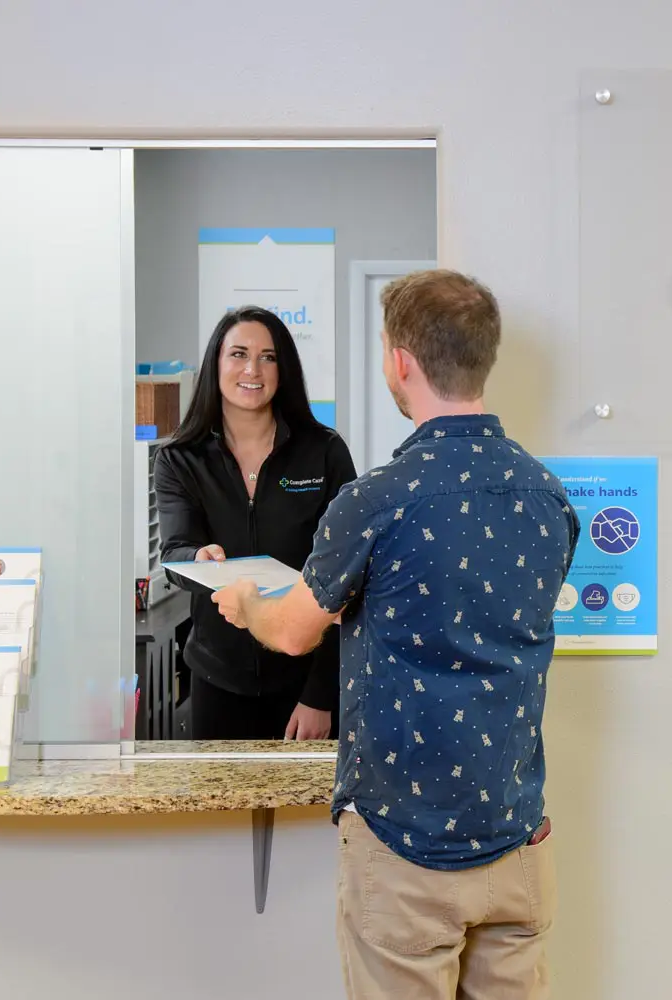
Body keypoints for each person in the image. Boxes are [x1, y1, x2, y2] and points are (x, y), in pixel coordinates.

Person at [211, 270, 579, 999]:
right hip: (518, 841)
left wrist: (246, 602)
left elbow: (291, 634)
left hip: (407, 850)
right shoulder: (547, 496)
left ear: (400, 361)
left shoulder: (378, 500)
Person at [154, 305, 357, 740]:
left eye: (268, 357)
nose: (253, 369)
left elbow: (349, 577)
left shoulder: (324, 451)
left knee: (306, 809)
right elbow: (173, 553)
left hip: (305, 677)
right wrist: (198, 559)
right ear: (216, 363)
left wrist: (320, 694)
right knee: (221, 807)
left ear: (284, 369)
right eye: (239, 354)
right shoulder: (179, 459)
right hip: (217, 676)